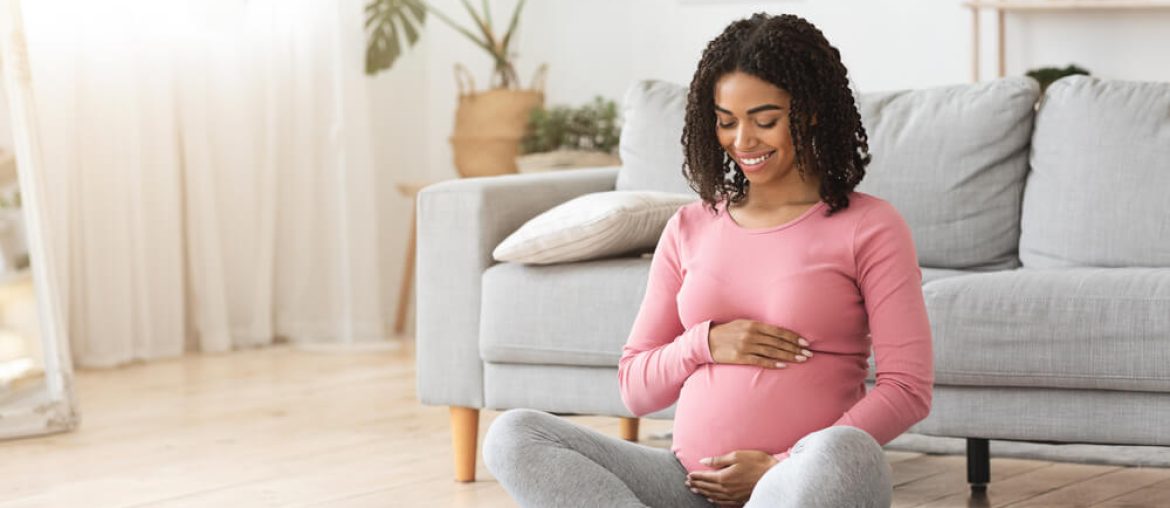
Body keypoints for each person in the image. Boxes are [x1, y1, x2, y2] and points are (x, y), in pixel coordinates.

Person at [483, 12, 933, 507]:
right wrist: (705, 343)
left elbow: (907, 388)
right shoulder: (690, 226)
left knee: (847, 451)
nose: (743, 142)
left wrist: (781, 465)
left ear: (810, 112)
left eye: (765, 121)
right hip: (685, 484)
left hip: (798, 484)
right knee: (514, 434)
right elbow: (635, 388)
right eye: (726, 122)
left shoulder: (870, 226)